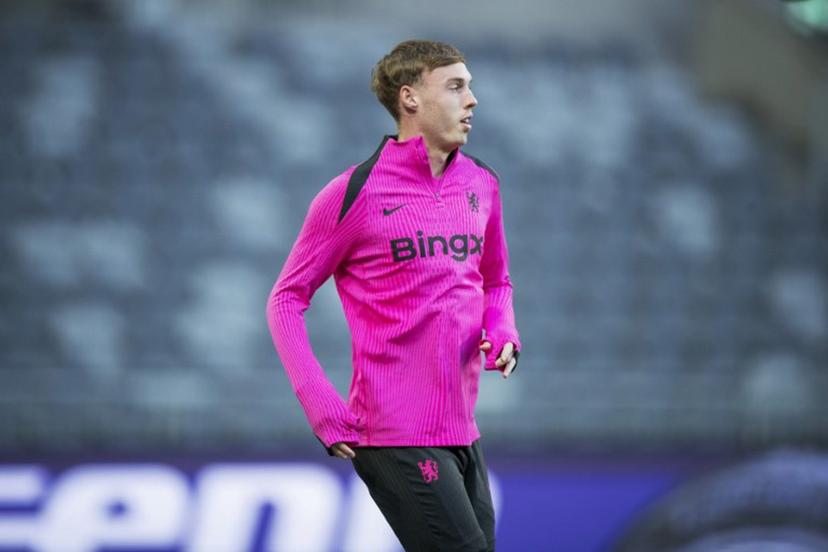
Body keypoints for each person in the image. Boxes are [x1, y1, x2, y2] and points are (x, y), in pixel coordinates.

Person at [266, 39, 521, 552]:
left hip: (463, 430)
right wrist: (319, 401)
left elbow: (496, 281)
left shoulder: (482, 183)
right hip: (393, 432)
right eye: (455, 86)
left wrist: (502, 331)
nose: (472, 99)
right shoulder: (353, 193)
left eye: (469, 86)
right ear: (410, 98)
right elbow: (285, 300)